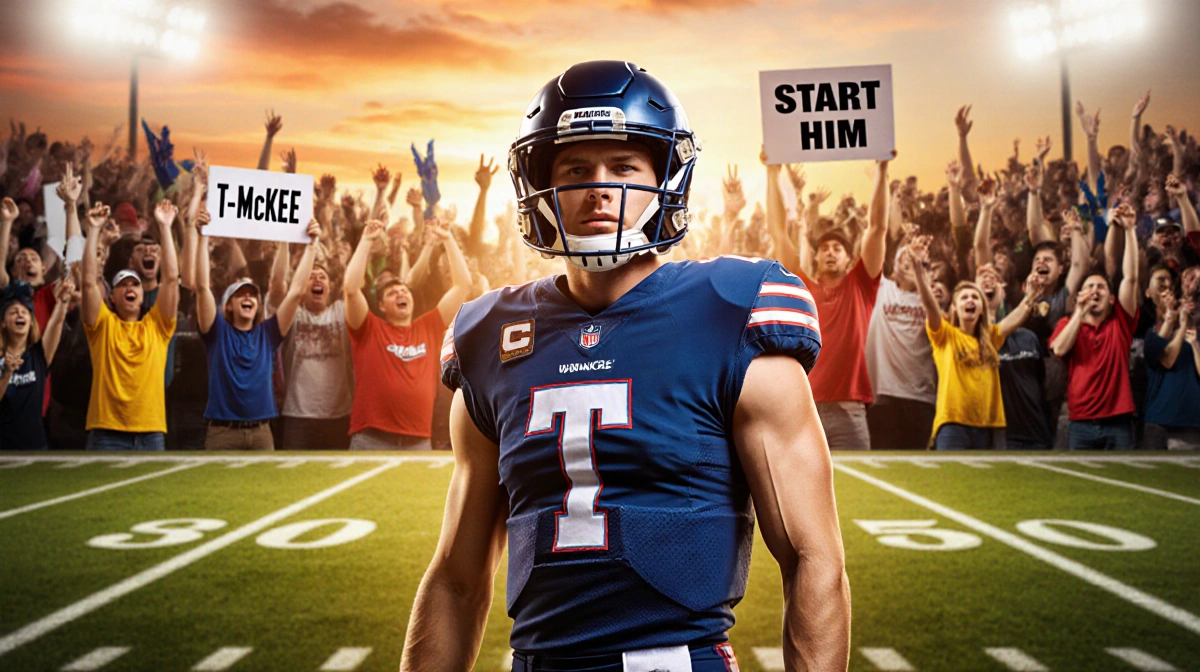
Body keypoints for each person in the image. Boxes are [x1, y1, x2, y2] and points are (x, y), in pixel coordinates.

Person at [402, 60, 849, 672]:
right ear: (541, 183)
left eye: (624, 166)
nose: (598, 187)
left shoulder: (731, 311)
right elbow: (456, 579)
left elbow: (812, 558)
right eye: (576, 168)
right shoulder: (489, 337)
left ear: (665, 175)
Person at [193, 208, 321, 450]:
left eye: (253, 294)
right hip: (223, 434)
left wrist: (312, 247)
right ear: (228, 306)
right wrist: (203, 237)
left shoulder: (268, 334)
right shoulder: (216, 332)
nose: (248, 297)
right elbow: (202, 287)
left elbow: (295, 294)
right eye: (240, 294)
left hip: (262, 434)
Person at [793, 148, 891, 450]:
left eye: (838, 247)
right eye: (824, 247)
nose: (830, 251)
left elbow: (878, 227)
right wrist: (774, 174)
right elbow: (782, 233)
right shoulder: (802, 286)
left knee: (860, 494)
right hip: (803, 409)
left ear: (850, 259)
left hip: (850, 409)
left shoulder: (861, 285)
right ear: (816, 256)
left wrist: (882, 170)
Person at [344, 216, 470, 450]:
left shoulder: (428, 327)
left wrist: (448, 239)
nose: (401, 294)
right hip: (372, 438)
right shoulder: (368, 328)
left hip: (419, 439)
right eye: (392, 293)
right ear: (381, 305)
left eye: (405, 291)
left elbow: (462, 286)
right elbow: (351, 289)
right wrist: (366, 241)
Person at [913, 241, 1043, 449]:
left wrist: (1032, 294)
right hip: (953, 425)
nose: (970, 300)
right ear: (954, 308)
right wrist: (919, 273)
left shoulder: (991, 337)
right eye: (964, 298)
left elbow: (1018, 315)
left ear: (982, 308)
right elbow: (930, 306)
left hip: (989, 427)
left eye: (975, 297)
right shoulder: (945, 335)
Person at [80, 199, 179, 451]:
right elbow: (88, 283)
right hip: (107, 433)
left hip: (151, 433)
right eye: (122, 284)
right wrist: (93, 231)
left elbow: (170, 279)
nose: (130, 288)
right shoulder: (102, 325)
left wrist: (165, 227)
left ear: (143, 294)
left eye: (134, 284)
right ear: (112, 297)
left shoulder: (157, 326)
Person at [1050, 203, 1140, 450]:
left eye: (1100, 287)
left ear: (1112, 299)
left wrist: (1130, 230)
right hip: (1080, 423)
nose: (1094, 291)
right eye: (1089, 287)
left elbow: (1130, 278)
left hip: (1118, 422)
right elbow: (1059, 349)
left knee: (1122, 484)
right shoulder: (1068, 323)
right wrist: (1079, 312)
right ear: (1079, 295)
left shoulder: (1120, 322)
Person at [864, 240, 938, 449]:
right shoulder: (880, 289)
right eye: (904, 258)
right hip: (883, 394)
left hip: (921, 397)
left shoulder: (933, 298)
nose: (909, 262)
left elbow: (935, 317)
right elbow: (872, 246)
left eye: (915, 261)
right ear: (893, 264)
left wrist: (920, 275)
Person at [1, 278, 71, 449]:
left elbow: (56, 323)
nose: (20, 315)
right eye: (13, 312)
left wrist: (62, 302)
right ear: (3, 323)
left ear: (32, 321)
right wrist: (6, 373)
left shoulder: (39, 355)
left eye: (24, 312)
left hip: (35, 447)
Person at [1142, 283, 1200, 449]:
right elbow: (1167, 360)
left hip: (1193, 423)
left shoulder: (1196, 337)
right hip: (1161, 424)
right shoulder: (1153, 333)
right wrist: (1181, 328)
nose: (1186, 307)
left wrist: (1194, 343)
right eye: (1181, 302)